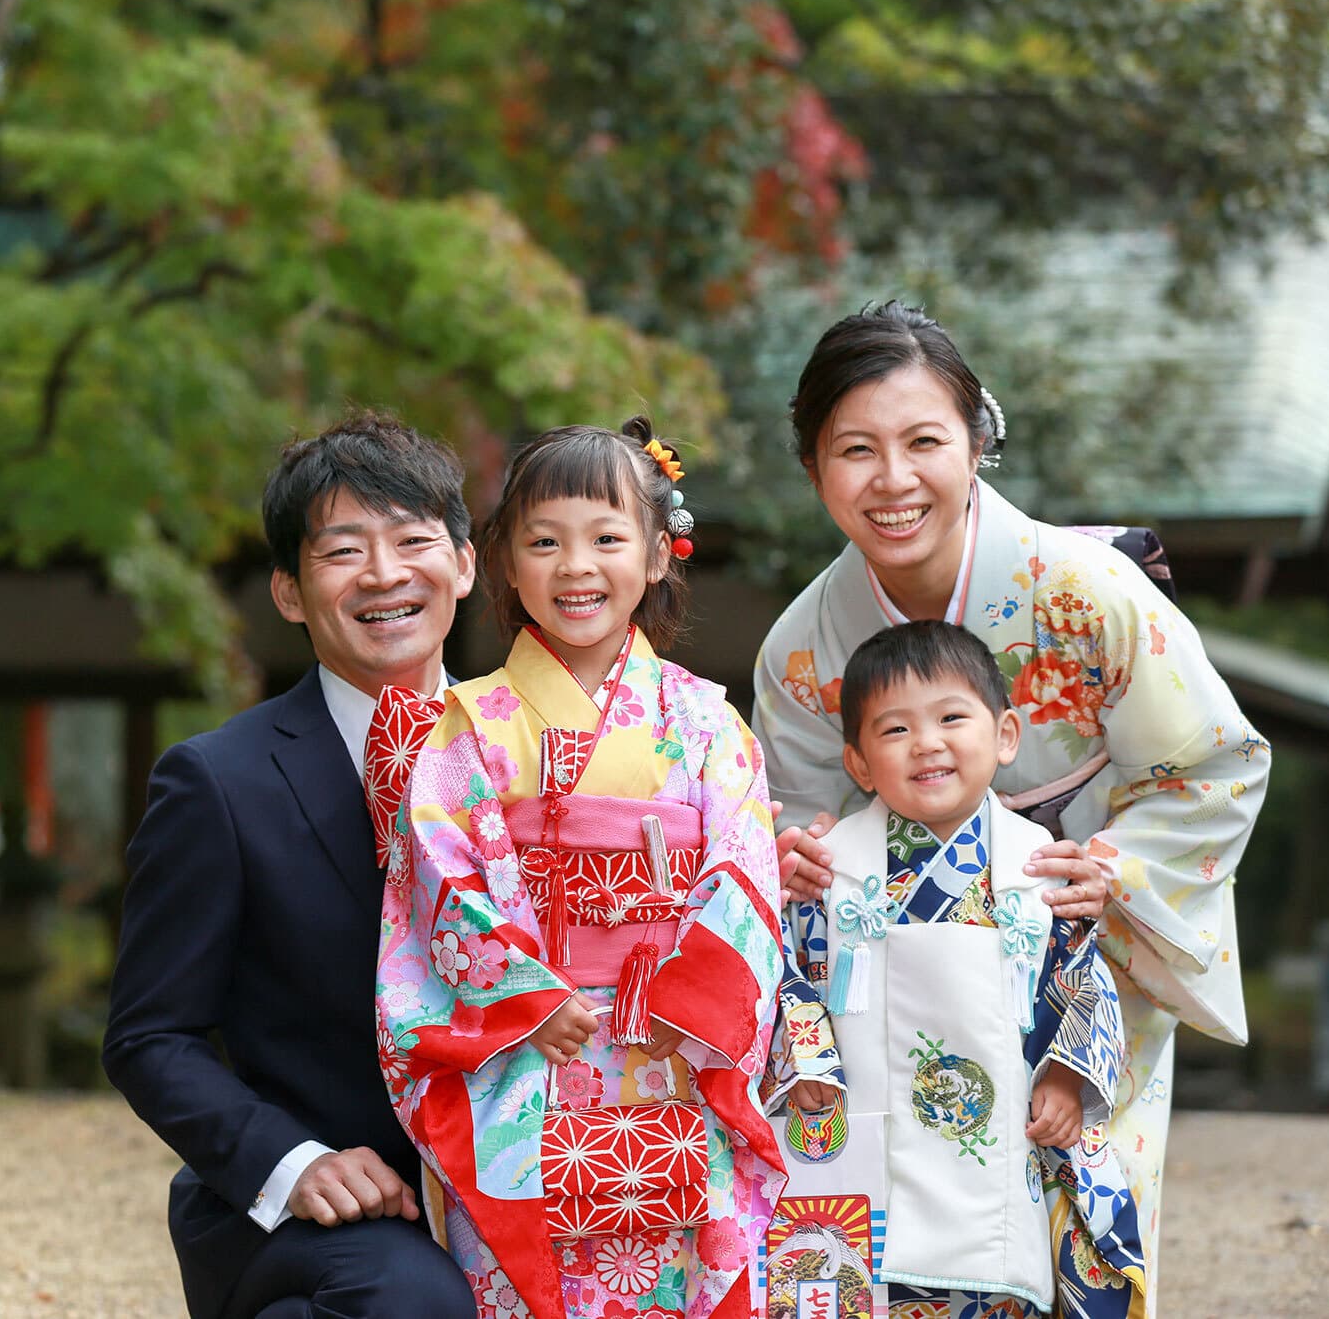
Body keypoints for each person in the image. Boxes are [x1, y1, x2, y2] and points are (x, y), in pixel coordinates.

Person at [753, 302, 1268, 1315]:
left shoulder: (1084, 590)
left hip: (1076, 932)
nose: (891, 480)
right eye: (853, 450)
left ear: (976, 440)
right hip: (895, 969)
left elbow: (1211, 764)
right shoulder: (801, 646)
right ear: (813, 467)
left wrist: (1114, 869)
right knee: (896, 1227)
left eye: (921, 442)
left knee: (1081, 1207)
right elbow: (794, 816)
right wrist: (788, 852)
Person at [372, 418, 839, 1319]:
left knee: (677, 1276)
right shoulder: (465, 724)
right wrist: (525, 994)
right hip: (528, 1050)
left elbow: (743, 874)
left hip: (669, 1044)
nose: (575, 565)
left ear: (659, 555)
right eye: (543, 541)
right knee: (522, 1287)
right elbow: (436, 876)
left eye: (607, 538)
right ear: (505, 562)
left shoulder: (705, 720)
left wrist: (693, 1001)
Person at [102, 411, 481, 1319]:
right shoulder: (218, 783)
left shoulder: (538, 756)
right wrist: (296, 1160)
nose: (385, 574)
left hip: (515, 1182)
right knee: (414, 1301)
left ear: (464, 565)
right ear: (287, 590)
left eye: (413, 541)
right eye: (344, 550)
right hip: (316, 1212)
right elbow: (150, 1036)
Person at [779, 618, 1146, 1317]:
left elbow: (1083, 981)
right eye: (894, 730)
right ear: (858, 764)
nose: (928, 743)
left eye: (952, 716)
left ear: (1005, 734)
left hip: (1007, 1137)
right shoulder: (832, 871)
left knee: (1007, 1265)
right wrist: (806, 1067)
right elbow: (792, 978)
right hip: (866, 1131)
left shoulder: (1041, 864)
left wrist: (1068, 1075)